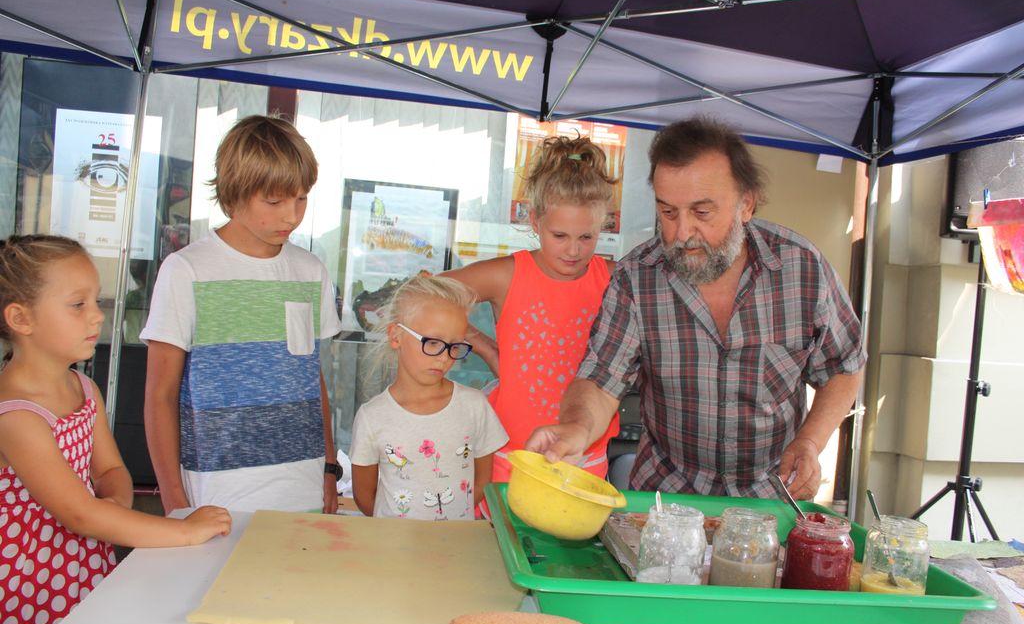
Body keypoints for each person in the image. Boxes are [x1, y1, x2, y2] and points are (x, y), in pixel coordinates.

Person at [526, 116, 866, 501]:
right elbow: (601, 379)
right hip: (665, 500)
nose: (682, 233)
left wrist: (810, 442)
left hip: (769, 502)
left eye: (702, 213)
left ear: (746, 204)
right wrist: (576, 428)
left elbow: (844, 366)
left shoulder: (801, 268)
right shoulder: (638, 277)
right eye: (668, 213)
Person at [0, 235, 231, 624]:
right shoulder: (15, 415)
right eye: (78, 304)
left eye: (96, 300)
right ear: (20, 318)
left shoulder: (83, 387)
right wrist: (184, 531)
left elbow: (110, 471)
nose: (97, 316)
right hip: (26, 583)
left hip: (82, 562)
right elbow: (80, 514)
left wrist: (116, 507)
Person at [141, 115, 343, 515]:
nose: (292, 216)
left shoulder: (311, 270)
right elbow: (159, 395)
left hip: (303, 491)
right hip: (214, 494)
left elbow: (311, 376)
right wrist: (174, 500)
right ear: (234, 194)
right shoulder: (186, 270)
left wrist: (329, 466)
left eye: (301, 198)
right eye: (274, 201)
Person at [443, 135, 620, 483]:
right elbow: (424, 294)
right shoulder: (507, 274)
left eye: (586, 237)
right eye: (560, 236)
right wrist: (486, 348)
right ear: (535, 221)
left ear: (603, 225)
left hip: (586, 458)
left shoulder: (614, 280)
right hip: (511, 455)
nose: (573, 250)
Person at [349, 276, 507, 520]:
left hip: (453, 540)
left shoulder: (475, 406)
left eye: (455, 346)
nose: (445, 357)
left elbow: (482, 482)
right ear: (396, 336)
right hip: (393, 541)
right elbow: (364, 497)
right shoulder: (372, 417)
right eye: (433, 343)